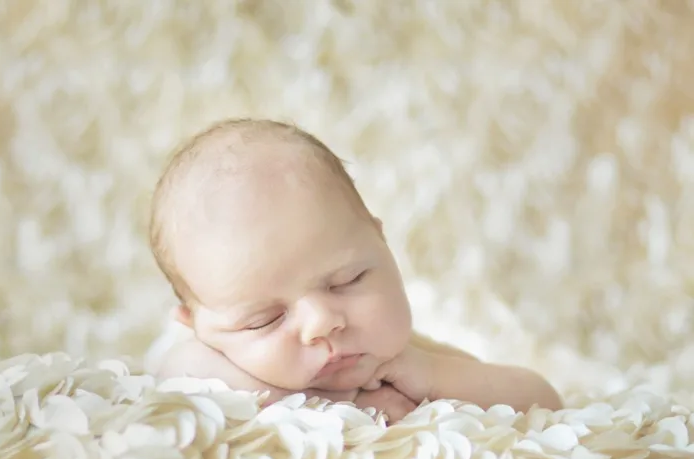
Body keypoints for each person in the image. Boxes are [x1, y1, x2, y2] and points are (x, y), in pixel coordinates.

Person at [148, 118, 562, 422]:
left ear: (382, 245)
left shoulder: (412, 361)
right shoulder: (202, 358)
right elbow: (176, 374)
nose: (322, 322)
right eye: (265, 320)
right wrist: (340, 406)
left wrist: (437, 375)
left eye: (348, 280)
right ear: (196, 325)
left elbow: (546, 403)